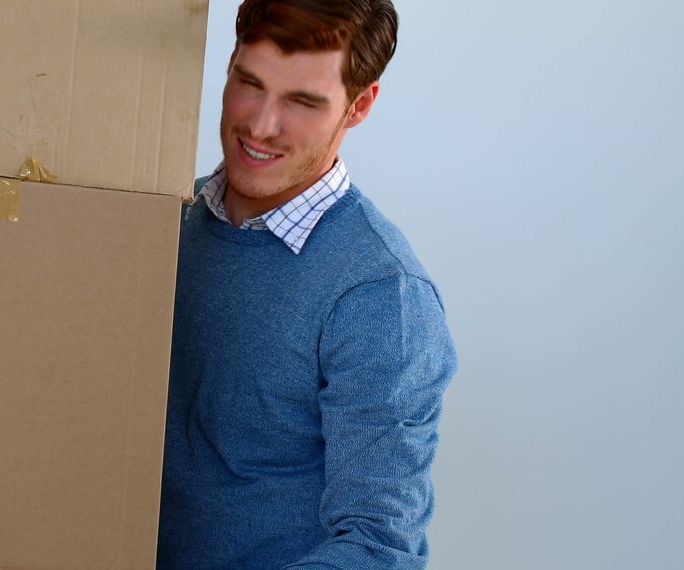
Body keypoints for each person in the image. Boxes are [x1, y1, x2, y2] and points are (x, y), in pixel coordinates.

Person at [156, 1, 458, 568]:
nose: (260, 125)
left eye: (301, 101)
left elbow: (378, 548)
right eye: (250, 83)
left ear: (358, 105)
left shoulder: (380, 296)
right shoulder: (159, 224)